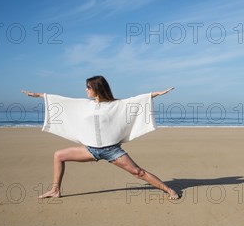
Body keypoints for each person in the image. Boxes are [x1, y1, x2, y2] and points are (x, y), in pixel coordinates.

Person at [21, 75, 180, 200]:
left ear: (97, 88)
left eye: (88, 87)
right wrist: (41, 96)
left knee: (138, 172)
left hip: (112, 150)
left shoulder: (116, 104)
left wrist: (154, 94)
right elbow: (64, 102)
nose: (86, 90)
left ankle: (168, 189)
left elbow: (135, 101)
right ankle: (55, 190)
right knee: (58, 155)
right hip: (90, 150)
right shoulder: (85, 104)